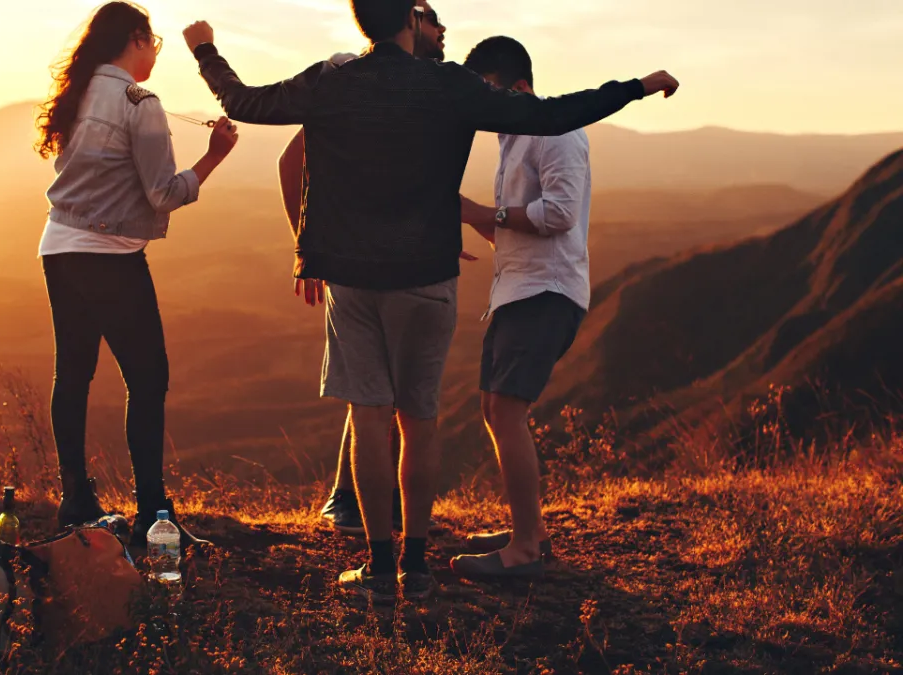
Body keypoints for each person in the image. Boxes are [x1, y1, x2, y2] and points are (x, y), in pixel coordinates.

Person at [184, 1, 678, 605]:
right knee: (419, 421)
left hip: (354, 276)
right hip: (428, 275)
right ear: (411, 22)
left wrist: (206, 50)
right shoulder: (450, 84)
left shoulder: (332, 79)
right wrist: (638, 86)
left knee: (369, 418)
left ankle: (380, 567)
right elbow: (553, 115)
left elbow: (245, 103)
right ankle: (417, 566)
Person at [34, 1, 239, 550]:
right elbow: (164, 193)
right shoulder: (139, 102)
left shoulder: (78, 93)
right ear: (136, 40)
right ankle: (154, 516)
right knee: (148, 379)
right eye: (154, 44)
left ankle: (75, 500)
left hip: (58, 247)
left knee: (73, 374)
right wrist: (215, 155)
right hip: (111, 255)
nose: (155, 55)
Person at [276, 0, 449, 537]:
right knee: (375, 394)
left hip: (401, 258)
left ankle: (367, 512)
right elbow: (291, 161)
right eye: (432, 17)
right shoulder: (351, 74)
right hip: (357, 263)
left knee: (381, 393)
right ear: (409, 21)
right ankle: (351, 504)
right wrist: (309, 249)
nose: (443, 30)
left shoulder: (424, 86)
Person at [449, 36, 596, 579]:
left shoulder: (554, 132)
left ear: (516, 86)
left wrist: (485, 211)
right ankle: (527, 530)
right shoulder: (514, 139)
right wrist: (468, 218)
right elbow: (515, 228)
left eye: (484, 91)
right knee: (495, 410)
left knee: (507, 412)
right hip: (518, 289)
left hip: (547, 292)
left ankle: (524, 551)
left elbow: (558, 214)